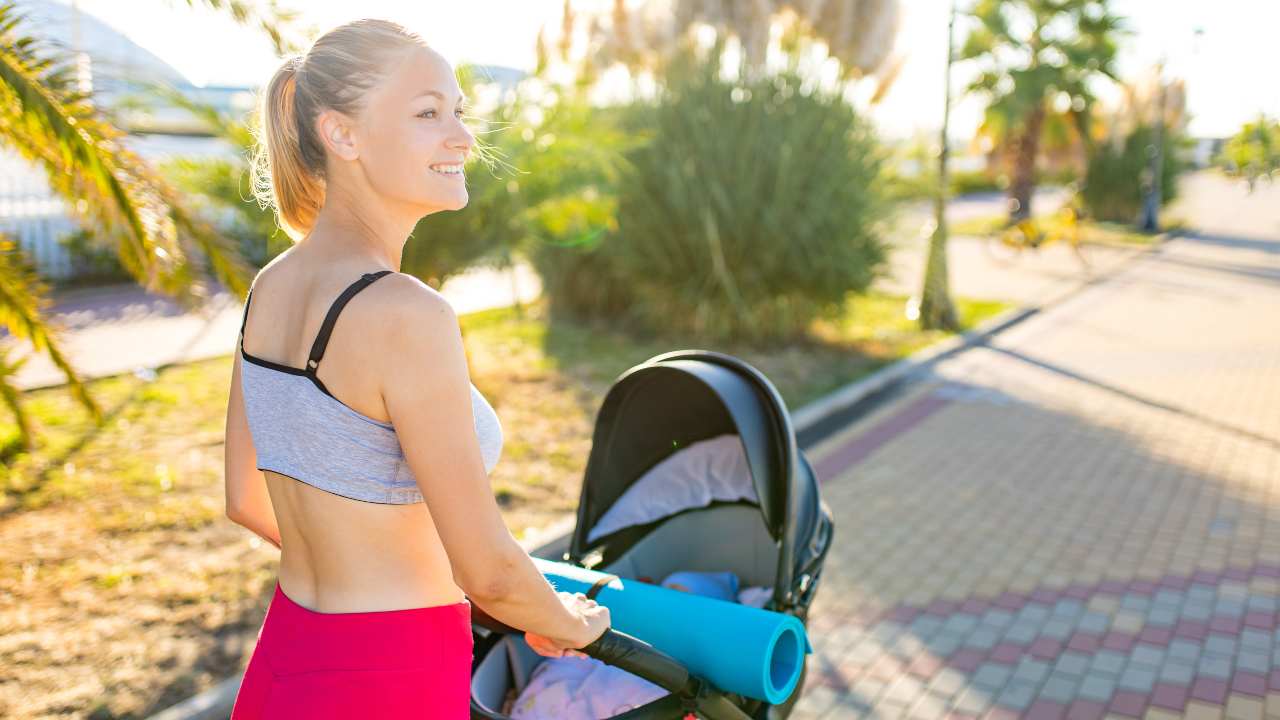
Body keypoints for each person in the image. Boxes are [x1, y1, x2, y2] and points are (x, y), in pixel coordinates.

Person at [222, 18, 609, 719]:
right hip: (389, 676)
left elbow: (244, 498)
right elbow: (485, 569)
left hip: (286, 663)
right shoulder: (407, 314)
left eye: (458, 111)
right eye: (428, 113)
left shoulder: (270, 288)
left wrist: (502, 590)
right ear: (344, 136)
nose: (462, 136)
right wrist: (571, 622)